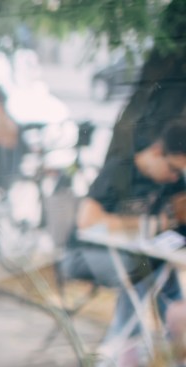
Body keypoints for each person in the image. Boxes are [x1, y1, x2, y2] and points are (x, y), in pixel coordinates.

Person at [60, 117, 186, 335]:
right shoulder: (119, 170)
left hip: (129, 255)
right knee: (142, 271)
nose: (175, 177)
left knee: (163, 272)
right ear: (156, 152)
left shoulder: (168, 182)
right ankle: (124, 349)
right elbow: (87, 220)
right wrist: (150, 223)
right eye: (174, 169)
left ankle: (174, 350)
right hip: (83, 255)